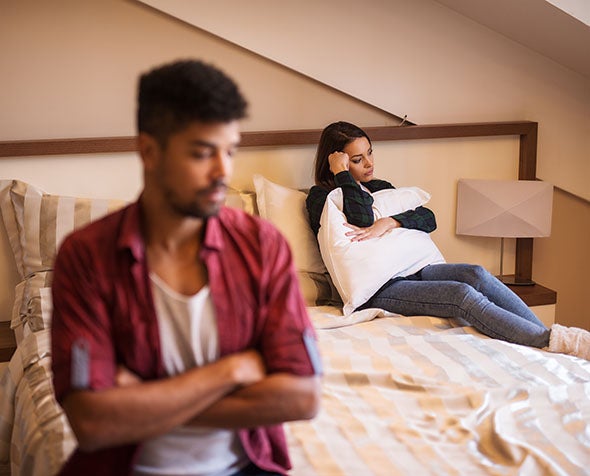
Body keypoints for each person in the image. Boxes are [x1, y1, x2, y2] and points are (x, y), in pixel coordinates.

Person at [51, 59, 322, 476]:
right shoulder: (86, 256)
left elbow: (302, 397)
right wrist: (229, 371)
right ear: (149, 151)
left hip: (247, 467)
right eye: (202, 153)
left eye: (230, 151)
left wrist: (143, 400)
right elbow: (92, 424)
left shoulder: (263, 247)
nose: (223, 171)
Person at [306, 121, 589, 360]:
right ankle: (549, 342)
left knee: (475, 274)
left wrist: (390, 222)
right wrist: (342, 175)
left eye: (369, 153)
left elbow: (428, 218)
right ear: (336, 161)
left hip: (414, 267)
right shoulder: (320, 198)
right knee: (460, 295)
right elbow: (361, 218)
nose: (369, 163)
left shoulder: (380, 188)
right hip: (380, 288)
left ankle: (552, 341)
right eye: (357, 160)